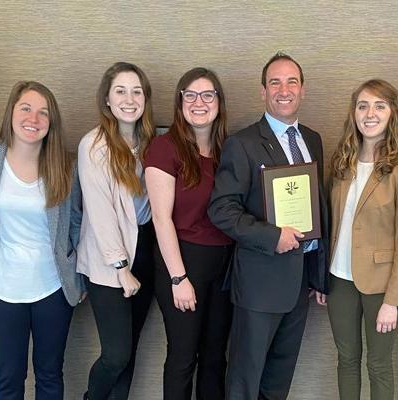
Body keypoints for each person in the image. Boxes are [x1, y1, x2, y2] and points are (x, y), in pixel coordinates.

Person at [208, 52, 330, 400]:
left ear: (302, 90)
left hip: (300, 283)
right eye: (275, 82)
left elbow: (317, 208)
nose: (284, 89)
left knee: (279, 380)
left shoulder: (313, 139)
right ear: (263, 92)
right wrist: (272, 236)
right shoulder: (242, 144)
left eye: (292, 81)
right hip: (259, 283)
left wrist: (318, 274)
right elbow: (221, 209)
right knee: (245, 380)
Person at [0, 81, 85, 400]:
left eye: (43, 112)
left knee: (50, 374)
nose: (33, 118)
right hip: (2, 288)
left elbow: (77, 222)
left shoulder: (66, 166)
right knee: (8, 377)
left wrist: (79, 277)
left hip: (53, 288)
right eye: (25, 108)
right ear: (11, 113)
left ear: (51, 122)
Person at [326, 79, 398, 400]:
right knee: (346, 360)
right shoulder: (342, 162)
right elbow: (333, 223)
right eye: (363, 105)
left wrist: (394, 300)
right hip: (339, 280)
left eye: (379, 105)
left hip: (381, 286)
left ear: (392, 113)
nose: (370, 113)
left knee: (379, 364)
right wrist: (320, 277)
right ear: (353, 112)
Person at [145, 68, 234, 400]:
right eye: (191, 95)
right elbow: (160, 217)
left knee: (214, 357)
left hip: (223, 265)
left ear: (218, 102)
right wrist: (178, 278)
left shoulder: (229, 149)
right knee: (183, 357)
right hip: (183, 262)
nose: (199, 102)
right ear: (180, 101)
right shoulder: (164, 147)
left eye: (208, 95)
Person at [77, 62, 156, 400]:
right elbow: (100, 212)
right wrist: (121, 268)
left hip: (147, 251)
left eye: (137, 91)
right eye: (120, 91)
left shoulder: (153, 142)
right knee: (117, 353)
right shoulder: (93, 145)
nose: (129, 98)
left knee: (131, 350)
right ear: (107, 100)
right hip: (110, 262)